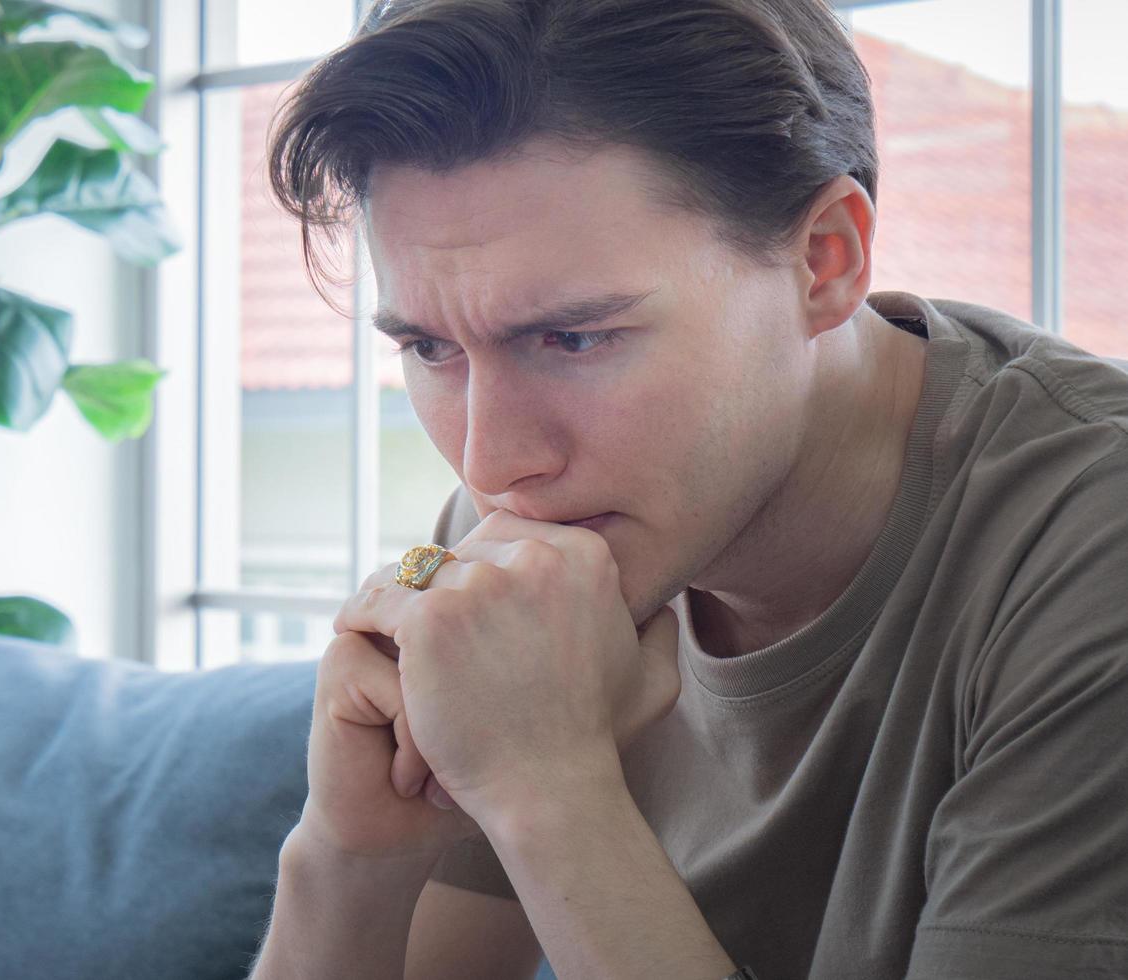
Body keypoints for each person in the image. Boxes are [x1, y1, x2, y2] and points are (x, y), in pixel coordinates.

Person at [244, 1, 1128, 978]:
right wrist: (346, 852)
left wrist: (549, 790)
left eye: (574, 337)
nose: (491, 465)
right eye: (428, 346)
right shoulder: (542, 534)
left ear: (824, 260)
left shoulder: (1093, 550)